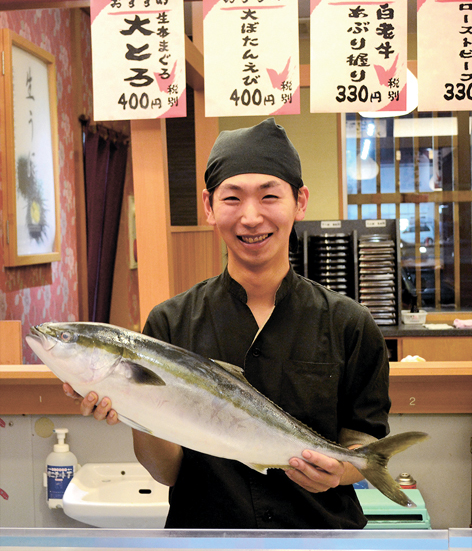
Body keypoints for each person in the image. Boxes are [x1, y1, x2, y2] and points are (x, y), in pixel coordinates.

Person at [65, 118, 390, 529]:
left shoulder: (350, 324)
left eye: (269, 196)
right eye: (232, 199)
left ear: (300, 201)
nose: (251, 217)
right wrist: (129, 406)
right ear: (209, 206)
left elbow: (364, 439)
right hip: (205, 536)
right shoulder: (170, 323)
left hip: (320, 537)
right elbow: (166, 472)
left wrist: (340, 472)